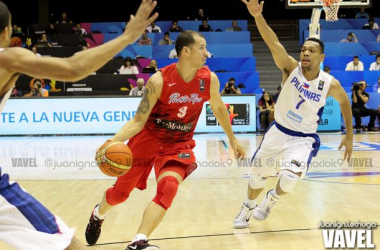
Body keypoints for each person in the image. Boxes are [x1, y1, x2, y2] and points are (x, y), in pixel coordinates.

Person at [0, 1, 158, 249]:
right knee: (64, 242)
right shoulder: (7, 58)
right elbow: (74, 67)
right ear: (7, 33)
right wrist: (127, 37)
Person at [84, 30, 246, 250]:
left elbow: (218, 108)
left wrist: (233, 139)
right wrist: (111, 142)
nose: (207, 53)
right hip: (148, 138)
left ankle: (138, 240)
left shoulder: (209, 79)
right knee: (120, 195)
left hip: (178, 143)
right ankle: (98, 214)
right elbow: (138, 121)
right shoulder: (158, 80)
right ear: (186, 51)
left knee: (169, 186)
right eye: (202, 47)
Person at [234, 0, 353, 230]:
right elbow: (273, 42)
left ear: (321, 58)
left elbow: (345, 103)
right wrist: (258, 16)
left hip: (303, 138)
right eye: (303, 49)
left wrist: (350, 135)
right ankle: (247, 207)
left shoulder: (330, 84)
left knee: (289, 180)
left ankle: (271, 199)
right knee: (257, 177)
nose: (305, 53)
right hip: (278, 132)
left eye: (311, 51)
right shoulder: (290, 68)